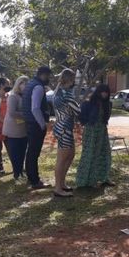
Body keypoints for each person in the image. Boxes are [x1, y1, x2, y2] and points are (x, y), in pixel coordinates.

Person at [76, 84, 114, 188]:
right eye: (103, 91)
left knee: (105, 154)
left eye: (107, 92)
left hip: (102, 131)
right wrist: (87, 123)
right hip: (91, 131)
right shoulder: (89, 103)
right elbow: (81, 116)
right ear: (98, 92)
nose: (105, 94)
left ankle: (104, 178)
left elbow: (106, 118)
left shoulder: (108, 104)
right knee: (90, 155)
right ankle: (86, 181)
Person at [22, 66, 53, 189]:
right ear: (43, 75)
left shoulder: (30, 84)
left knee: (31, 152)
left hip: (29, 122)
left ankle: (31, 177)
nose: (48, 79)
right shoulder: (38, 87)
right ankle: (34, 180)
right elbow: (35, 108)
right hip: (35, 124)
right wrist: (42, 124)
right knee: (34, 153)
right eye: (48, 76)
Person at [52, 69, 81, 198]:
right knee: (62, 158)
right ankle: (58, 188)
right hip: (64, 128)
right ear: (70, 79)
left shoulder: (58, 92)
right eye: (73, 79)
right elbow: (77, 110)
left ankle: (62, 184)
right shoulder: (66, 94)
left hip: (63, 127)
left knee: (70, 155)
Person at [3, 76, 30, 183]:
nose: (26, 86)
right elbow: (12, 113)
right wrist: (27, 115)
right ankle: (17, 174)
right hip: (13, 130)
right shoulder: (12, 96)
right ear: (18, 84)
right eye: (24, 84)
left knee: (23, 152)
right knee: (15, 153)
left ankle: (21, 173)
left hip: (23, 130)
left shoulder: (25, 96)